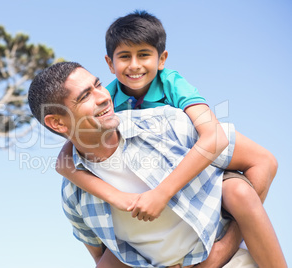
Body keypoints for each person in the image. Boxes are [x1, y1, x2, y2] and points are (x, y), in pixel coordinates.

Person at [55, 10, 279, 267]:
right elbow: (68, 156)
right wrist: (115, 197)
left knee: (237, 191)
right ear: (110, 63)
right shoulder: (106, 98)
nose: (135, 65)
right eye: (125, 56)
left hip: (201, 174)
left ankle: (231, 241)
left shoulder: (172, 84)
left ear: (162, 59)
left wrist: (162, 193)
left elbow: (213, 138)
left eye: (144, 55)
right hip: (151, 198)